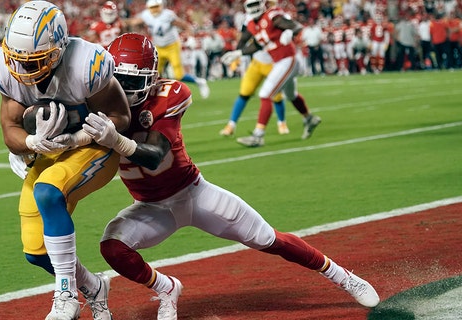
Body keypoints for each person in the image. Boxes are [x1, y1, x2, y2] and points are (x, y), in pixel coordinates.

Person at [81, 32, 379, 320]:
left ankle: (343, 276)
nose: (123, 88)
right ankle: (166, 288)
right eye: (117, 79)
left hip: (193, 194)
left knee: (269, 239)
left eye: (131, 81)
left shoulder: (168, 95)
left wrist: (116, 140)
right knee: (112, 247)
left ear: (152, 78)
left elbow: (156, 152)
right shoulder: (90, 100)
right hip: (150, 206)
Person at [0, 1, 131, 319]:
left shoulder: (86, 63)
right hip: (50, 149)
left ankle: (65, 295)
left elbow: (120, 115)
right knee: (36, 251)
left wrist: (83, 136)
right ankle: (93, 287)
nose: (22, 68)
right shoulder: (3, 69)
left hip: (93, 147)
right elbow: (9, 129)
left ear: (58, 49)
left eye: (34, 60)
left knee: (49, 191)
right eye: (17, 59)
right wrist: (30, 142)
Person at [222, 0, 322, 147]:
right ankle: (309, 119)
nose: (254, 7)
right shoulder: (251, 23)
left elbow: (296, 26)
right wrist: (238, 53)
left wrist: (289, 32)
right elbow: (258, 44)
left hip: (287, 59)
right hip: (279, 62)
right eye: (250, 5)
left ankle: (258, 135)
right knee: (291, 95)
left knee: (265, 93)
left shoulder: (272, 16)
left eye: (256, 3)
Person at [125, 0, 210, 99]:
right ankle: (157, 97)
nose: (155, 10)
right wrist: (122, 21)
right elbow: (134, 21)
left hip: (172, 46)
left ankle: (199, 81)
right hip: (159, 47)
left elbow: (185, 26)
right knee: (154, 74)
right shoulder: (146, 15)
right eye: (153, 7)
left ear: (161, 6)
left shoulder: (168, 15)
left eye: (156, 7)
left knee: (178, 75)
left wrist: (190, 37)